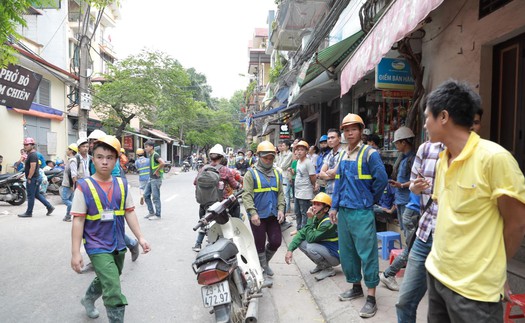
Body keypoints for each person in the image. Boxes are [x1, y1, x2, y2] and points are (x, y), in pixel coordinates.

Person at [424, 80, 525, 322]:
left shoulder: (495, 159)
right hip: (437, 275)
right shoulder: (442, 159)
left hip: (474, 292)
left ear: (444, 117)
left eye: (428, 116)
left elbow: (517, 224)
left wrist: (495, 270)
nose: (425, 123)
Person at [70, 135, 151, 322]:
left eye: (109, 157)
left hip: (118, 243)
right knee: (113, 288)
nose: (104, 162)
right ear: (93, 158)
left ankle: (88, 299)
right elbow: (78, 221)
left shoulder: (122, 184)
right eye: (99, 157)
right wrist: (76, 253)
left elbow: (129, 213)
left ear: (116, 160)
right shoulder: (84, 186)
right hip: (96, 245)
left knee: (110, 276)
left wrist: (141, 238)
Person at [329, 114, 388, 318]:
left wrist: (369, 199)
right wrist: (334, 206)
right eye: (346, 129)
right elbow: (338, 183)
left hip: (362, 212)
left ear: (361, 131)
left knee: (367, 253)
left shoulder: (370, 154)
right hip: (344, 211)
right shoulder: (343, 155)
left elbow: (381, 180)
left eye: (353, 129)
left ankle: (371, 297)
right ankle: (356, 287)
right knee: (347, 253)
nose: (349, 132)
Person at [395, 140, 443, 323]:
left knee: (441, 310)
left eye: (428, 116)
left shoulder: (478, 153)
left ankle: (390, 273)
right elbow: (413, 185)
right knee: (404, 301)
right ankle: (391, 273)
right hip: (423, 233)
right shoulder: (426, 148)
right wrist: (415, 186)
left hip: (450, 241)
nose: (424, 124)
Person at [242, 141, 285, 286]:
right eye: (265, 158)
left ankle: (264, 264)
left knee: (276, 241)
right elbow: (246, 195)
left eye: (271, 158)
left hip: (273, 214)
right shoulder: (251, 174)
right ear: (258, 156)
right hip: (257, 215)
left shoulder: (277, 174)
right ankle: (261, 270)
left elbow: (280, 193)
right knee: (259, 244)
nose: (268, 161)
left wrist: (281, 209)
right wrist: (252, 212)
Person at [192, 144, 241, 252]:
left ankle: (198, 244)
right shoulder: (226, 170)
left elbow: (195, 182)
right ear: (222, 157)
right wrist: (240, 186)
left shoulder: (203, 169)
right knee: (236, 205)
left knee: (204, 220)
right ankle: (239, 233)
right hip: (221, 202)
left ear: (210, 157)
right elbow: (235, 185)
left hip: (205, 202)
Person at [285, 192, 339, 281]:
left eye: (318, 205)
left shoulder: (328, 222)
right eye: (313, 204)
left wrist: (309, 219)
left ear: (325, 209)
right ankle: (322, 265)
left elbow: (310, 238)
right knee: (301, 243)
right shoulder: (316, 216)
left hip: (335, 255)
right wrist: (290, 250)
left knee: (310, 246)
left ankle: (328, 269)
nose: (314, 206)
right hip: (325, 249)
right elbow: (302, 232)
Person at [379, 191, 420, 291]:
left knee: (414, 248)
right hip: (414, 214)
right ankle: (388, 274)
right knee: (413, 248)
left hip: (411, 212)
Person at [18, 137, 55, 218]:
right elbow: (28, 166)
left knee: (30, 195)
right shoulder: (30, 154)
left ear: (32, 145)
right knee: (37, 194)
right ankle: (49, 207)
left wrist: (29, 178)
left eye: (27, 144)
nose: (25, 146)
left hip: (33, 178)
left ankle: (29, 212)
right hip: (35, 178)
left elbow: (33, 167)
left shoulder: (33, 155)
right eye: (24, 144)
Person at [389, 126, 415, 235]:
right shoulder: (404, 158)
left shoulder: (412, 159)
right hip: (401, 199)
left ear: (404, 142)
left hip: (408, 200)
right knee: (404, 230)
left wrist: (402, 185)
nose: (396, 145)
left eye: (397, 143)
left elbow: (417, 180)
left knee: (409, 229)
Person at [292, 140, 317, 234]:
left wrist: (313, 185)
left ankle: (303, 231)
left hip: (305, 192)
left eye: (302, 150)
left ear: (306, 151)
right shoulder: (298, 161)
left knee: (304, 213)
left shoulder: (308, 162)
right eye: (297, 150)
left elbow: (312, 176)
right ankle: (298, 229)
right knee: (297, 212)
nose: (299, 152)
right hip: (297, 191)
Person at [319, 129, 345, 198]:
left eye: (332, 137)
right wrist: (331, 175)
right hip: (328, 191)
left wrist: (329, 174)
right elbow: (321, 173)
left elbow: (335, 173)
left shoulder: (344, 153)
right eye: (328, 138)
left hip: (340, 193)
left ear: (339, 139)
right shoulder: (329, 155)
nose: (330, 140)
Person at [143, 140, 165, 220]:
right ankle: (151, 212)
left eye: (146, 147)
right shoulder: (151, 155)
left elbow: (162, 163)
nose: (145, 148)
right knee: (146, 195)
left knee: (155, 197)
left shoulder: (155, 155)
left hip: (156, 179)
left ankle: (158, 214)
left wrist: (156, 171)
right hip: (151, 178)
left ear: (151, 147)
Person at [275, 139, 294, 230]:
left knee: (285, 195)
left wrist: (277, 166)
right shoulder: (280, 154)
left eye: (282, 145)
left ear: (287, 146)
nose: (280, 147)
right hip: (280, 175)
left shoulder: (289, 154)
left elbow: (282, 166)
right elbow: (277, 165)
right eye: (280, 145)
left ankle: (286, 211)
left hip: (285, 176)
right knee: (281, 195)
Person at [62, 143, 78, 222]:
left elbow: (72, 174)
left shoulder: (72, 160)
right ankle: (68, 216)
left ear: (71, 151)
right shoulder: (72, 160)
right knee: (70, 200)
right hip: (70, 184)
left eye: (68, 149)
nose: (67, 151)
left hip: (68, 184)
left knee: (65, 200)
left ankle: (73, 209)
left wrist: (73, 184)